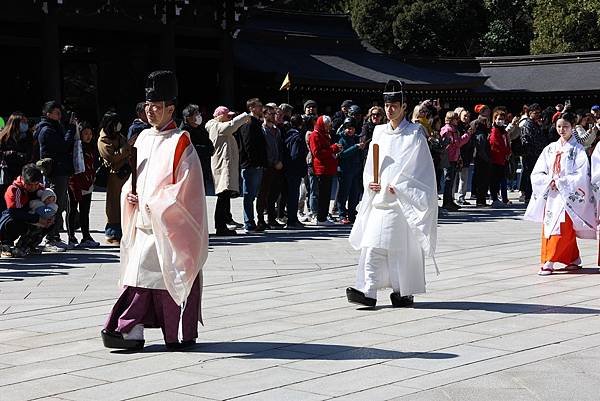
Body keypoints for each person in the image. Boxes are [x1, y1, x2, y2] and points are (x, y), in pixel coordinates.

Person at [102, 70, 208, 350]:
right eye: (148, 106)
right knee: (137, 277)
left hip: (167, 224)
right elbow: (132, 180)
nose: (150, 111)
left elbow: (188, 188)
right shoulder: (142, 138)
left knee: (156, 278)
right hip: (143, 221)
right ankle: (130, 330)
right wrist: (130, 195)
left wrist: (156, 204)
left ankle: (157, 333)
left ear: (170, 108)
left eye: (157, 107)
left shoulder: (181, 141)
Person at [346, 80, 438, 307]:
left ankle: (402, 291)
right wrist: (371, 183)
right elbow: (371, 165)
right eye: (387, 105)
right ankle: (368, 290)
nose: (390, 109)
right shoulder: (378, 131)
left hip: (400, 200)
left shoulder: (415, 133)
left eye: (395, 105)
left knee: (398, 248)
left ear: (404, 106)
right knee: (373, 245)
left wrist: (402, 187)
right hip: (379, 199)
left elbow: (422, 169)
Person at [525, 112, 595, 276]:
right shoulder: (550, 149)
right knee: (553, 224)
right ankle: (571, 259)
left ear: (572, 127)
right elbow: (537, 172)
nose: (562, 130)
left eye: (565, 126)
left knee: (562, 226)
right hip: (552, 194)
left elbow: (582, 174)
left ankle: (550, 260)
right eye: (559, 126)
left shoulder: (577, 150)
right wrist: (548, 180)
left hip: (567, 194)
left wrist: (562, 182)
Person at [35, 101, 76, 250]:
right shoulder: (47, 130)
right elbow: (63, 146)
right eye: (56, 112)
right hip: (55, 172)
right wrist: (71, 128)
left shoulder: (54, 127)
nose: (60, 116)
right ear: (48, 114)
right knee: (54, 205)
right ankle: (50, 238)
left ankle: (54, 236)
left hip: (60, 171)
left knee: (60, 204)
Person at [206, 106, 250, 236]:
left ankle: (225, 222)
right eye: (228, 116)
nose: (230, 118)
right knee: (222, 196)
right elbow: (230, 126)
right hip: (222, 167)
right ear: (219, 115)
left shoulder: (219, 125)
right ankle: (220, 226)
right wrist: (243, 116)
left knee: (225, 196)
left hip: (226, 166)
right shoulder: (215, 126)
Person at [0, 164, 55, 257]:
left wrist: (49, 217)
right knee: (14, 222)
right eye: (29, 185)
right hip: (7, 221)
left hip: (29, 216)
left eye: (36, 184)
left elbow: (49, 203)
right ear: (23, 179)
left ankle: (27, 245)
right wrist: (37, 219)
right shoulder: (14, 189)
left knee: (51, 220)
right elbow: (14, 213)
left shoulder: (40, 189)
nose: (33, 188)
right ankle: (5, 244)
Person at [98, 111, 131, 243]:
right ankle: (112, 234)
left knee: (123, 204)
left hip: (124, 173)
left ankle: (122, 232)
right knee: (114, 206)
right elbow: (111, 157)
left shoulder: (119, 136)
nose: (119, 125)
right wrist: (126, 147)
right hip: (114, 175)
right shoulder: (103, 139)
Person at [67, 122, 99, 247]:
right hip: (75, 183)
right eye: (85, 133)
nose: (88, 136)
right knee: (72, 210)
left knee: (85, 211)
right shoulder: (75, 148)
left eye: (90, 133)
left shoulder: (92, 147)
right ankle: (71, 237)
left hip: (88, 183)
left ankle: (86, 236)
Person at [239, 98, 268, 233]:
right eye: (259, 106)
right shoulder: (248, 123)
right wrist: (254, 163)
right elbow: (248, 145)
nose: (261, 108)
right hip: (251, 165)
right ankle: (248, 222)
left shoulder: (257, 122)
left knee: (254, 194)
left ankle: (253, 221)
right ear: (251, 108)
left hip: (258, 164)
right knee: (248, 194)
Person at [308, 115, 341, 225]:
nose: (328, 128)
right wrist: (333, 149)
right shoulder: (315, 135)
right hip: (321, 169)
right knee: (322, 195)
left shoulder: (324, 134)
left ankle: (323, 216)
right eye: (326, 126)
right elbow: (317, 153)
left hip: (327, 168)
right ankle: (321, 218)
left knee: (326, 195)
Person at [256, 105, 284, 230]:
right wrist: (272, 162)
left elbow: (278, 148)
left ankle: (272, 219)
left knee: (274, 194)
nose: (274, 116)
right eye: (271, 113)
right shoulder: (261, 130)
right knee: (262, 195)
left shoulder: (277, 130)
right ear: (265, 114)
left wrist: (279, 161)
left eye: (274, 113)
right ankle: (260, 220)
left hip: (277, 166)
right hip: (266, 166)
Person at [440, 111, 472, 211]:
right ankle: (447, 202)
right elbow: (456, 143)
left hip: (454, 157)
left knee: (451, 180)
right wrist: (467, 135)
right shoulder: (448, 130)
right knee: (448, 180)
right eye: (455, 119)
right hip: (449, 157)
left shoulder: (452, 129)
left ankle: (450, 201)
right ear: (451, 119)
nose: (457, 120)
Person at [180, 104, 215, 194]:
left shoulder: (200, 128)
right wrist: (205, 149)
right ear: (188, 117)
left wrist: (207, 149)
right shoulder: (184, 131)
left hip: (202, 167)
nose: (199, 116)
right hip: (190, 170)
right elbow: (190, 149)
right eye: (196, 114)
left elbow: (210, 145)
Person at [336, 117, 365, 224]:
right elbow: (342, 154)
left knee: (354, 194)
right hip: (344, 170)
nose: (350, 130)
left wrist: (360, 147)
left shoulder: (356, 138)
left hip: (356, 170)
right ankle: (342, 215)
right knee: (343, 194)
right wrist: (356, 147)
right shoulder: (341, 139)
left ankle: (352, 215)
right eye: (347, 128)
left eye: (352, 128)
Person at [282, 114, 308, 229]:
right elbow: (296, 155)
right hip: (294, 170)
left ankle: (291, 219)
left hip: (287, 169)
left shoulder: (287, 134)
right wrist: (301, 168)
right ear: (301, 124)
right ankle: (292, 220)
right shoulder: (297, 137)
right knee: (293, 196)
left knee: (290, 195)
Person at [0, 112, 30, 211]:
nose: (25, 124)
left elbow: (29, 155)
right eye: (23, 122)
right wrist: (12, 154)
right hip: (8, 174)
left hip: (23, 174)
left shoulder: (28, 137)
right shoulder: (4, 138)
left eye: (26, 122)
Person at [520, 103, 545, 203]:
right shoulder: (527, 125)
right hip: (530, 154)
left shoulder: (536, 124)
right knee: (529, 175)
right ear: (530, 113)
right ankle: (528, 195)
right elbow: (528, 140)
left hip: (537, 154)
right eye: (536, 113)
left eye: (539, 113)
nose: (538, 115)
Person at [488, 110, 511, 206]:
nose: (501, 121)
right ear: (495, 119)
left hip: (503, 159)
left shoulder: (504, 131)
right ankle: (494, 198)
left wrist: (509, 151)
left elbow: (507, 143)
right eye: (499, 119)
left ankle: (504, 198)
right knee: (496, 180)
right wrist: (505, 152)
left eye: (502, 119)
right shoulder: (494, 131)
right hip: (496, 158)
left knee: (503, 179)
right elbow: (495, 144)